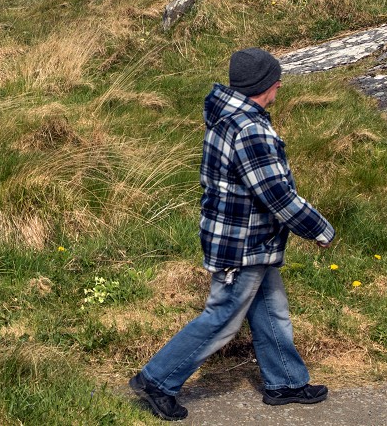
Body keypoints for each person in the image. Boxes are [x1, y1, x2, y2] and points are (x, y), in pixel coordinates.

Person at [129, 47, 335, 420]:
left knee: (271, 309)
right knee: (223, 317)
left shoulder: (228, 117)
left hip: (250, 240)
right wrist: (319, 229)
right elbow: (277, 196)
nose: (279, 87)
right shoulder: (250, 128)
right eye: (277, 81)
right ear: (268, 86)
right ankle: (157, 380)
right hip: (243, 243)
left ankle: (286, 381)